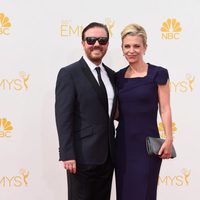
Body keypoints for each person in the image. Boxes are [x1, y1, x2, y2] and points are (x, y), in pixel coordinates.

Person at [55, 22, 117, 200]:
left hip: (108, 157)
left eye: (102, 40)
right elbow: (63, 117)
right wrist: (67, 154)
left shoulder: (112, 75)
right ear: (83, 43)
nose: (96, 44)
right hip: (81, 157)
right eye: (91, 40)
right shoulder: (69, 73)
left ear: (107, 44)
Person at [115, 23, 173, 200]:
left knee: (145, 193)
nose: (131, 50)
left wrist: (169, 138)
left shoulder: (158, 73)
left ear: (145, 47)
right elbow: (115, 112)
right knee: (124, 193)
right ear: (122, 48)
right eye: (127, 46)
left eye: (136, 46)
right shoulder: (117, 77)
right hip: (123, 145)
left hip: (148, 145)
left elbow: (165, 108)